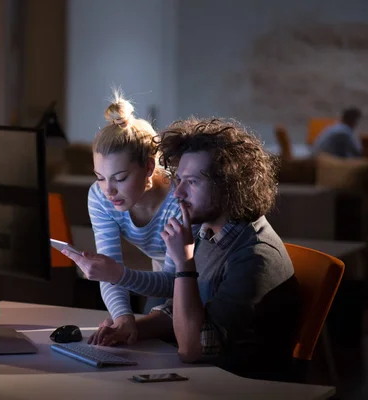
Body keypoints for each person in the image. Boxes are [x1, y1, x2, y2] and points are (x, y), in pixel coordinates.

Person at [64, 117, 301, 381]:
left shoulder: (255, 257)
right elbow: (178, 312)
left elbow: (192, 348)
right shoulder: (207, 232)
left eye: (192, 182)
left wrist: (184, 263)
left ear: (229, 187)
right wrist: (130, 328)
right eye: (178, 180)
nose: (177, 194)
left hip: (242, 388)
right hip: (204, 379)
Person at [71, 91, 187, 344]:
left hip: (199, 277)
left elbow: (176, 281)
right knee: (134, 337)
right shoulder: (101, 198)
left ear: (148, 167)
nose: (108, 190)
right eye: (100, 177)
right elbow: (110, 267)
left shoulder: (180, 199)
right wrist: (122, 315)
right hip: (162, 275)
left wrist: (118, 275)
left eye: (120, 178)